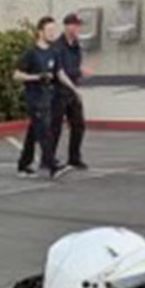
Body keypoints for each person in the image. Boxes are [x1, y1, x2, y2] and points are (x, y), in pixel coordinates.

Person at [13, 16, 67, 178]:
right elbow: (17, 75)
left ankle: (23, 165)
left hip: (47, 98)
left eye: (54, 30)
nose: (52, 33)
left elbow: (59, 73)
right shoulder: (31, 53)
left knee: (33, 132)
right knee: (44, 132)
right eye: (49, 30)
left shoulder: (53, 52)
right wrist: (36, 77)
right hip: (34, 98)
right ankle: (52, 165)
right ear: (40, 32)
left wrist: (72, 87)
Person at [54, 12, 90, 170]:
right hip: (59, 91)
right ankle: (50, 158)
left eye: (78, 25)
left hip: (72, 91)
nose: (77, 28)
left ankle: (74, 158)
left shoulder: (76, 45)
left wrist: (80, 72)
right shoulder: (58, 46)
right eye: (74, 25)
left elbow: (75, 66)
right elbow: (61, 71)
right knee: (55, 127)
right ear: (67, 26)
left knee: (78, 124)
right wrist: (78, 76)